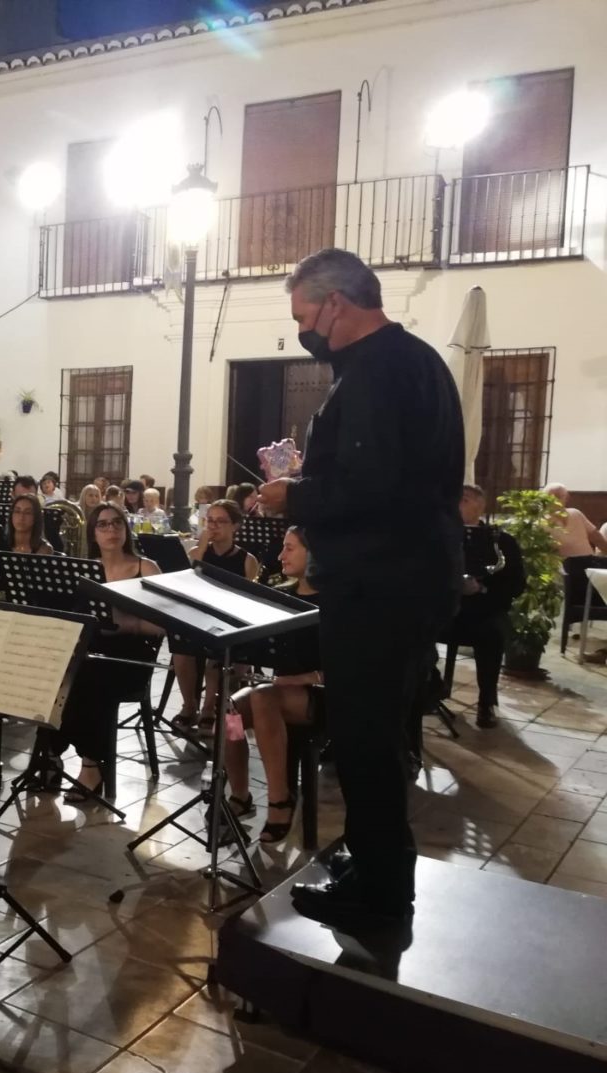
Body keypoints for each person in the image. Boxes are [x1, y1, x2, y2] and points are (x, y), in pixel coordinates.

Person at [257, 247, 464, 927]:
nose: (303, 331)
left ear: (336, 303)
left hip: (380, 584)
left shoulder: (376, 372)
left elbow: (368, 488)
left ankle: (378, 897)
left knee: (363, 739)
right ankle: (379, 860)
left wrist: (294, 494)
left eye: (303, 315)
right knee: (375, 735)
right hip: (407, 578)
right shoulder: (420, 361)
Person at [34, 502, 164, 800]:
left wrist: (124, 623)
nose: (111, 530)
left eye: (117, 523)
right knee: (55, 674)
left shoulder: (146, 567)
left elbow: (162, 627)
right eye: (103, 525)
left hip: (131, 657)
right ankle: (52, 755)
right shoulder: (85, 571)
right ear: (93, 533)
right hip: (92, 653)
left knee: (87, 678)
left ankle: (90, 765)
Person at [221, 527, 322, 844]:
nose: (281, 556)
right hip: (280, 691)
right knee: (231, 711)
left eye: (290, 548)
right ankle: (240, 793)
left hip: (325, 694)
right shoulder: (283, 593)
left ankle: (280, 800)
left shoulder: (337, 601)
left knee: (264, 698)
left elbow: (352, 666)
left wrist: (298, 680)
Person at [171, 500, 260, 729]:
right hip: (197, 615)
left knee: (216, 657)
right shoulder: (197, 552)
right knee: (181, 650)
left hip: (228, 620)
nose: (214, 526)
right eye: (210, 520)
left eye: (221, 521)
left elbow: (249, 600)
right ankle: (189, 706)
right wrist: (201, 545)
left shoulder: (247, 560)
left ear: (235, 526)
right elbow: (188, 580)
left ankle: (208, 708)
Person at [448, 484, 524, 728]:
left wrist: (482, 588)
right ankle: (429, 688)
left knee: (491, 634)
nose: (458, 502)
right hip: (444, 611)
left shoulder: (501, 541)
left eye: (465, 499)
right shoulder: (439, 536)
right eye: (455, 497)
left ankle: (486, 702)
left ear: (481, 508)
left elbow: (515, 584)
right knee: (411, 627)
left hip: (483, 611)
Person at [544, 483, 603, 558]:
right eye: (550, 497)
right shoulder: (542, 521)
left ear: (567, 498)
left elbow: (597, 538)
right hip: (564, 566)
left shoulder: (576, 514)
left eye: (558, 496)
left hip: (589, 562)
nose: (555, 500)